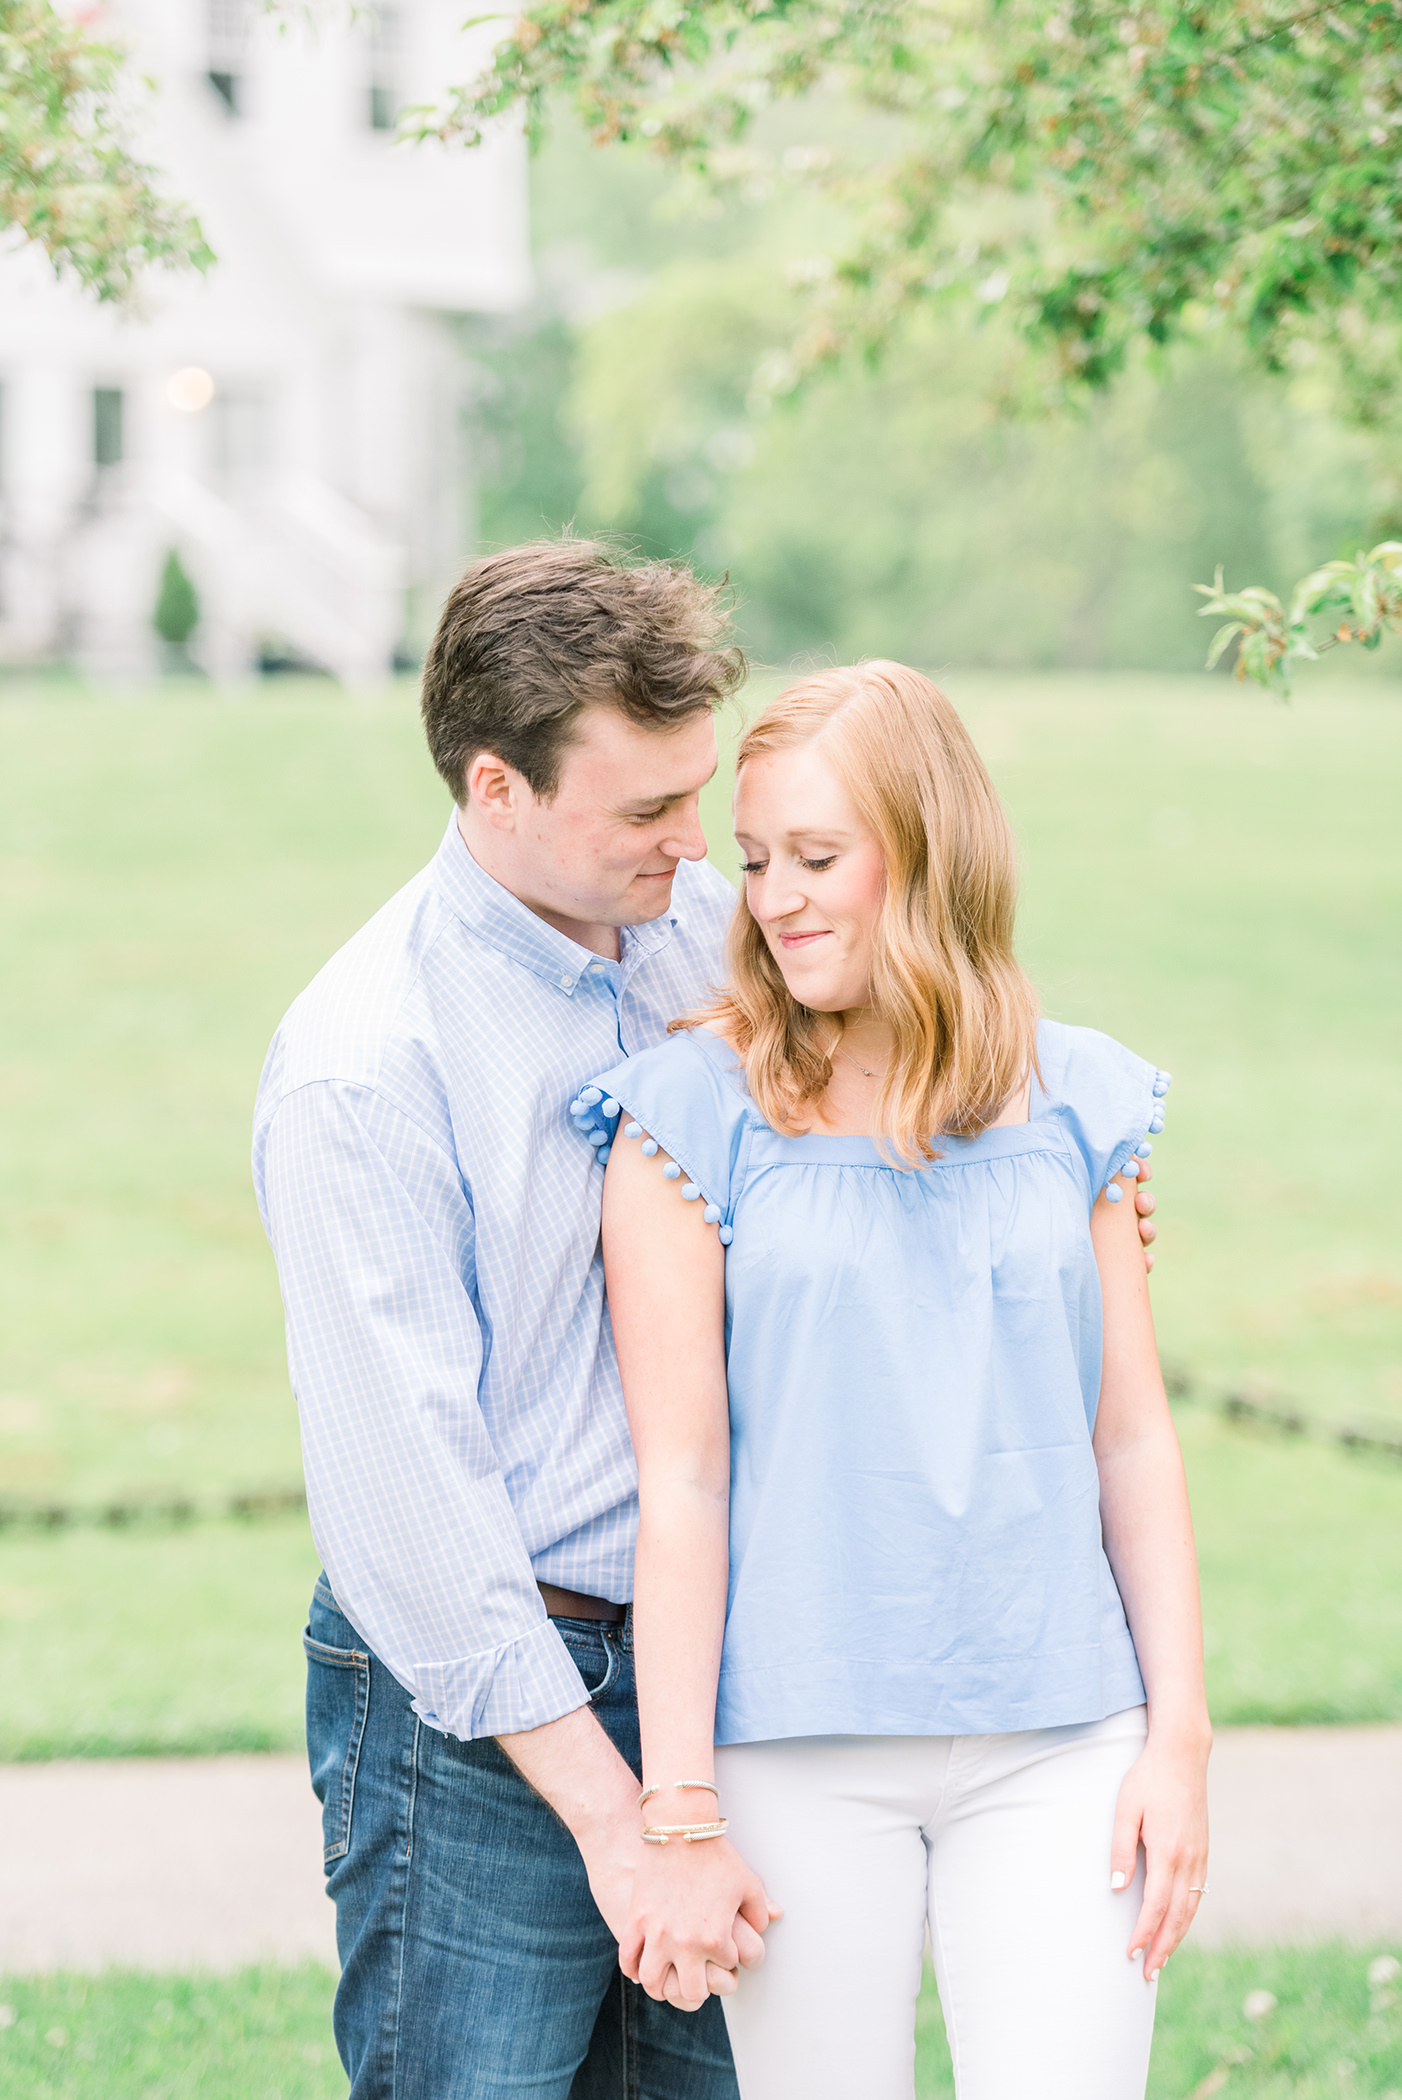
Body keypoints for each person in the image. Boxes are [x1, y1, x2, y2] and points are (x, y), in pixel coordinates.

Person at [253, 546, 1160, 2100]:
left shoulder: (697, 930)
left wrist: (1072, 1208)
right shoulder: (366, 1068)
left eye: (701, 804)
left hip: (718, 1674)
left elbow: (917, 1071)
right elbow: (412, 1510)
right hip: (486, 1713)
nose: (700, 847)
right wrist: (635, 1824)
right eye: (650, 811)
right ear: (497, 792)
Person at [575, 661, 1208, 2100]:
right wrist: (679, 1810)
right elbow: (679, 1477)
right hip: (793, 1748)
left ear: (924, 856)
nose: (772, 899)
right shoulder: (685, 1116)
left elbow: (1131, 1440)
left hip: (1063, 1739)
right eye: (751, 862)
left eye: (814, 857)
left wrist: (1178, 1739)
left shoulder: (1082, 1102)